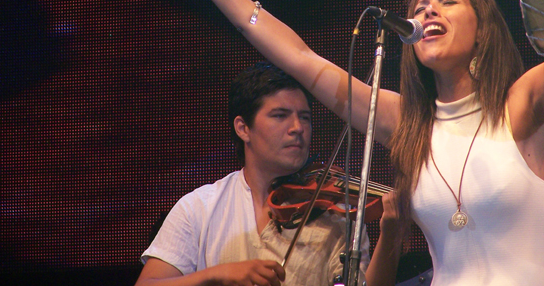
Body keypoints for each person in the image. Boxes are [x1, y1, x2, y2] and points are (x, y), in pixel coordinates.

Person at [157, 0, 544, 285]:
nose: (428, 10)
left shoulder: (521, 106)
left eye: (447, 2)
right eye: (419, 7)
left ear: (484, 33)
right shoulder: (407, 124)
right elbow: (299, 58)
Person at [135, 61, 403, 286]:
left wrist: (390, 233)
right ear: (243, 129)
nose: (297, 127)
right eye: (280, 115)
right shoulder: (199, 207)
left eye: (305, 117)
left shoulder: (336, 214)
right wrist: (218, 274)